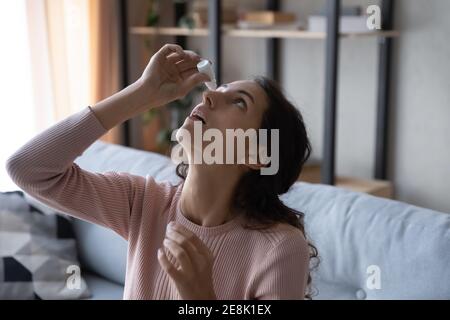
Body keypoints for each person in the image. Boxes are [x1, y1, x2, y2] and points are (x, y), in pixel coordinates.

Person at [7, 44, 318, 300]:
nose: (208, 96)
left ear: (257, 154)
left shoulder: (279, 249)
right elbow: (28, 169)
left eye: (238, 102)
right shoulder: (143, 202)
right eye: (218, 89)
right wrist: (143, 93)